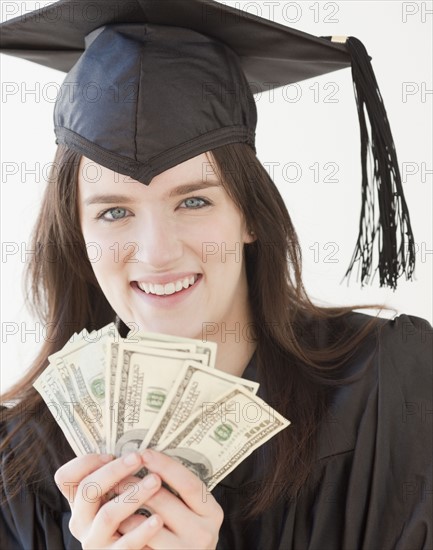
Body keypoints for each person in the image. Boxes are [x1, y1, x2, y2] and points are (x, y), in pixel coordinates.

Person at [1, 1, 431, 549]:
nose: (157, 253)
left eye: (195, 201)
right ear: (78, 237)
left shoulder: (391, 393)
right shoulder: (22, 472)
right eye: (114, 211)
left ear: (251, 215)